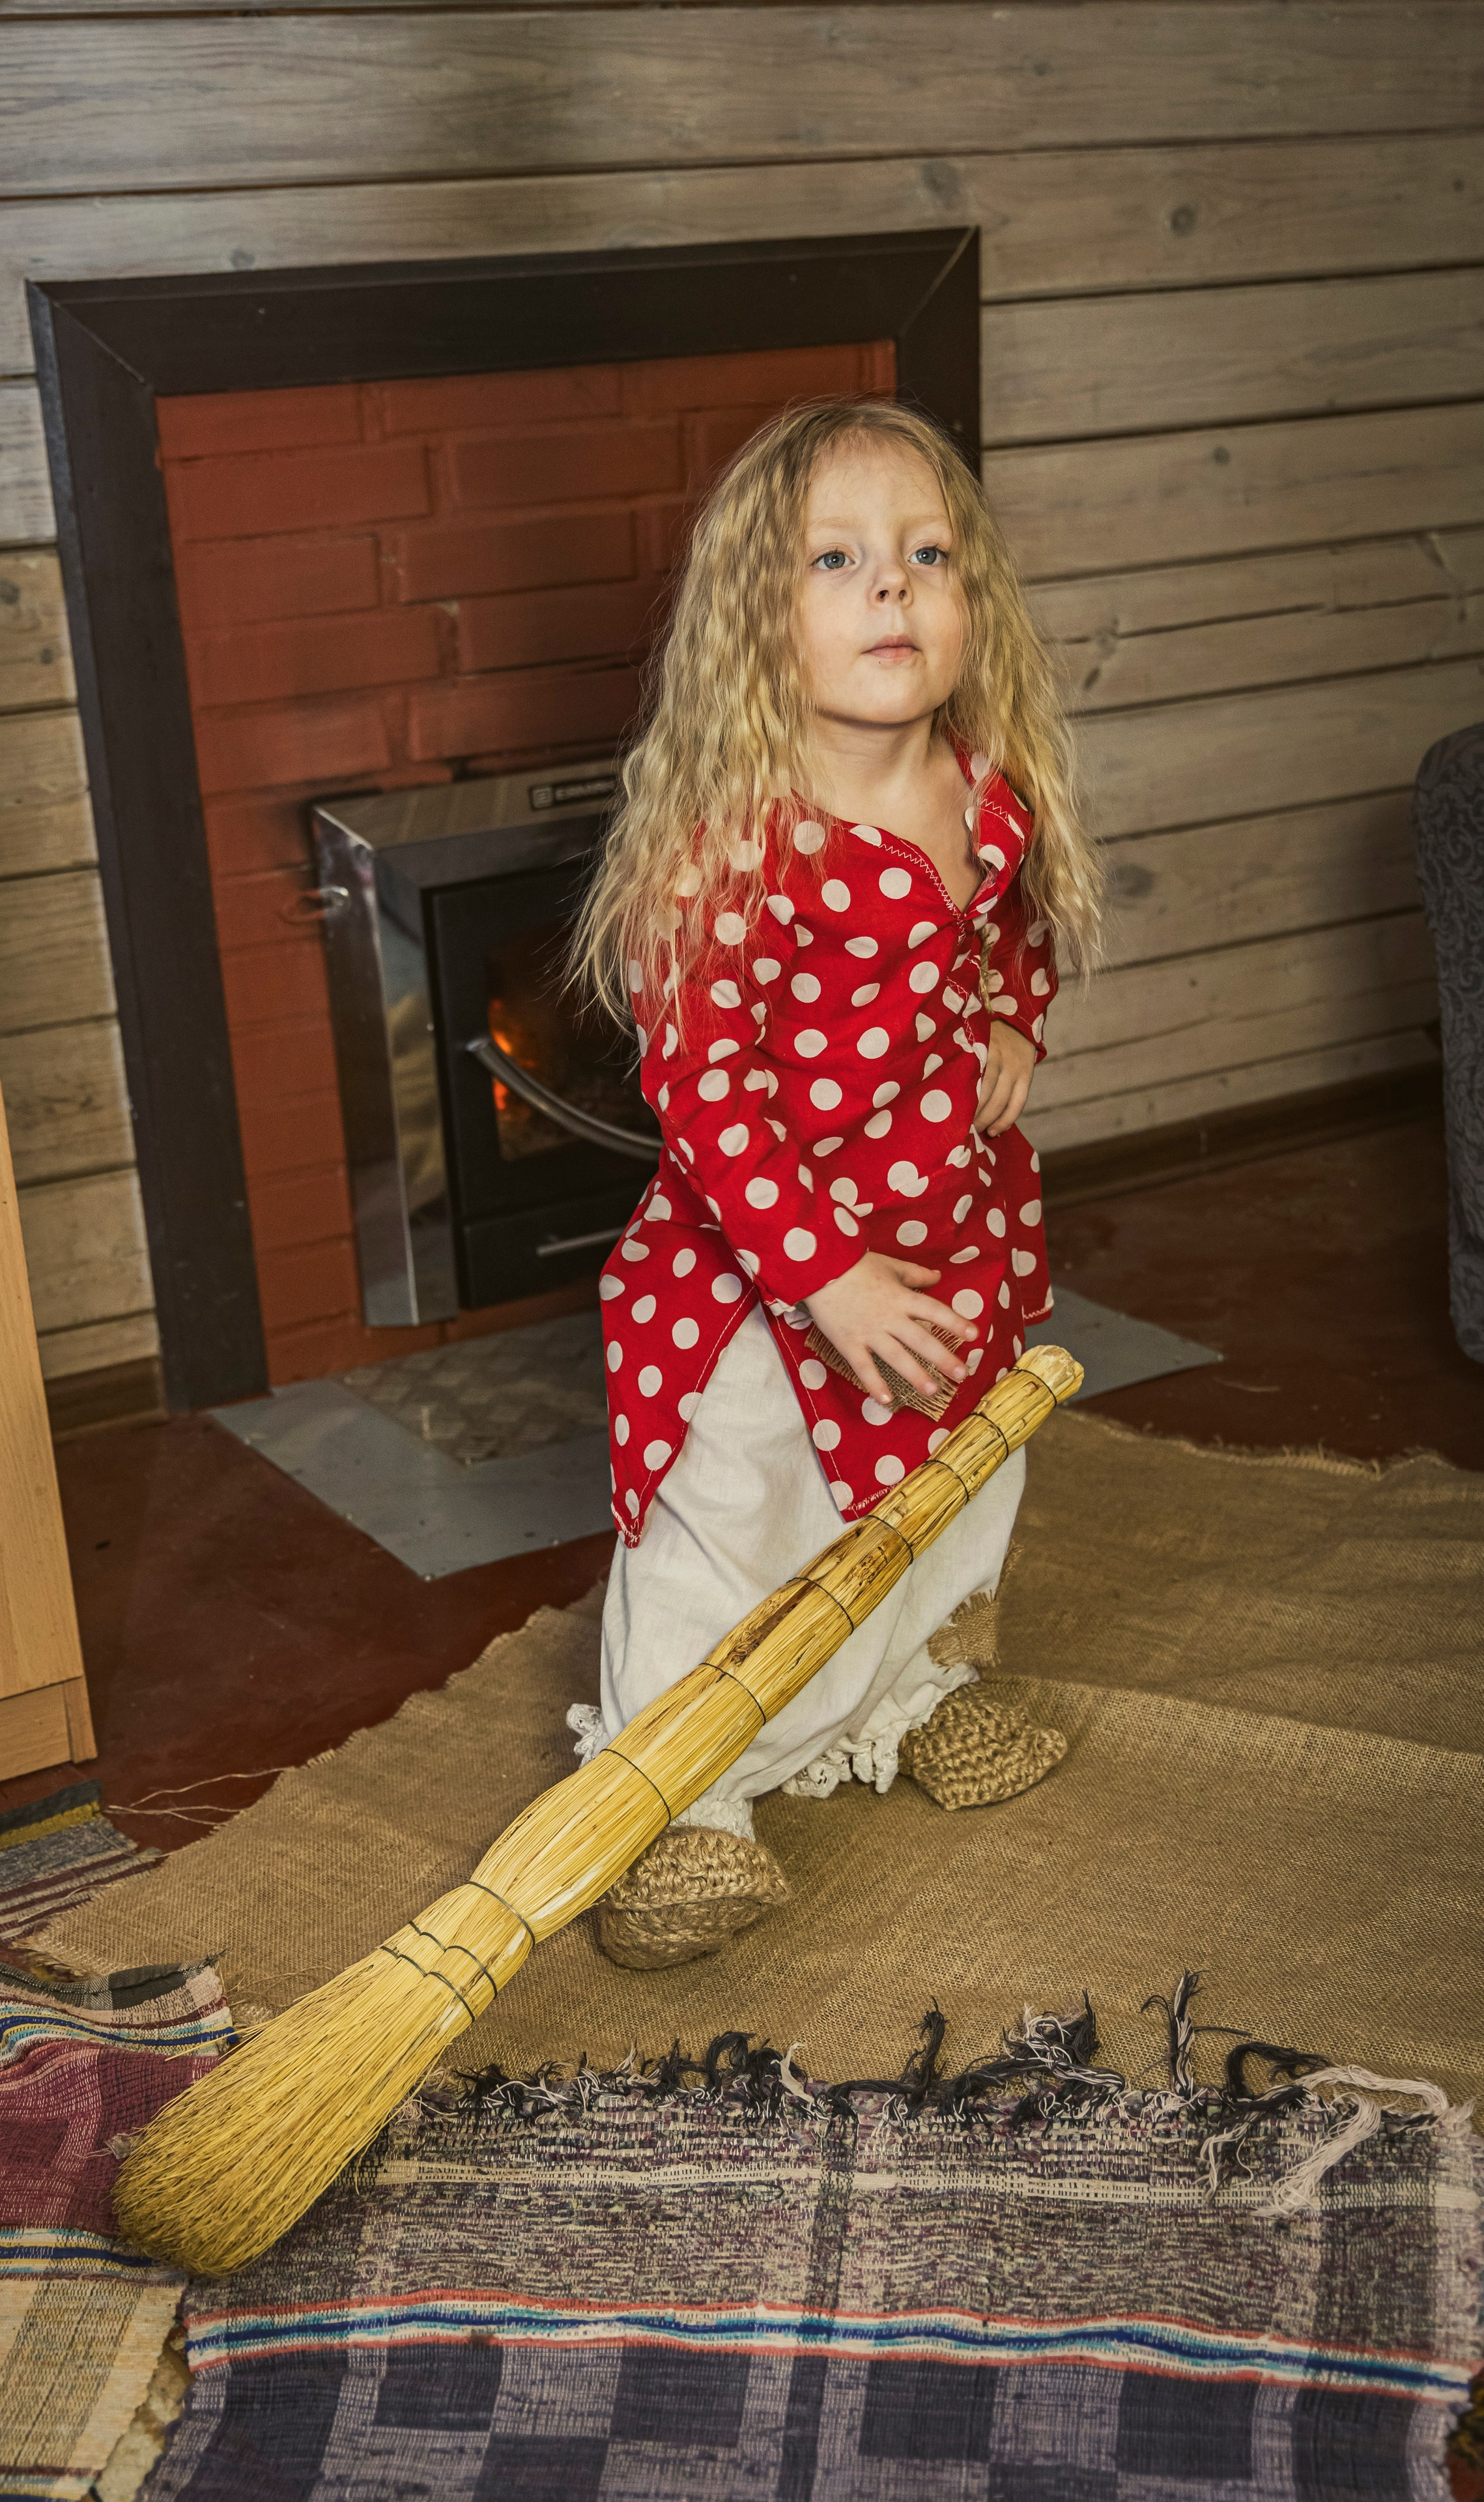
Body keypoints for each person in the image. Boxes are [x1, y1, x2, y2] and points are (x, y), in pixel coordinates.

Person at [567, 398, 1103, 1970]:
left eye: (926, 555)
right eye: (836, 560)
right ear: (754, 618)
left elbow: (1015, 934)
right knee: (735, 1516)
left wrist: (1010, 1025)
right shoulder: (731, 847)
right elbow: (705, 1099)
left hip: (946, 1229)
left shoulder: (980, 791)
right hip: (758, 1268)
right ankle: (683, 1804)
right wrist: (823, 1278)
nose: (890, 587)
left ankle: (911, 1693)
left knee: (952, 1479)